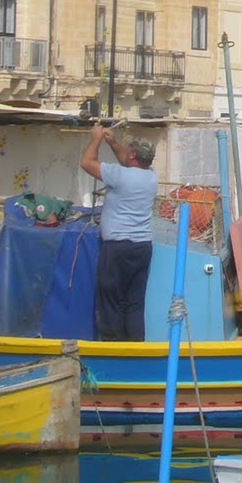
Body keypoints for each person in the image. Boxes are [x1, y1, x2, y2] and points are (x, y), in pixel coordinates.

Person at [79, 122, 158, 341]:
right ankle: (135, 347)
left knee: (110, 301)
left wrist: (96, 138)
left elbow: (86, 163)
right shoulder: (151, 176)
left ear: (133, 154)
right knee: (134, 302)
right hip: (142, 247)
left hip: (117, 248)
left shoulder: (119, 175)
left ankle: (112, 348)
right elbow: (127, 159)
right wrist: (112, 142)